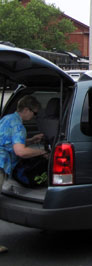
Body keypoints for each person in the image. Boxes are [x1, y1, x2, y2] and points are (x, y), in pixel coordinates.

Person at [0, 95, 48, 254]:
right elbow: (20, 151)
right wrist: (43, 152)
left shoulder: (7, 119)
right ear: (26, 110)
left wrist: (32, 140)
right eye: (34, 113)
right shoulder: (19, 126)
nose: (34, 117)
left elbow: (11, 142)